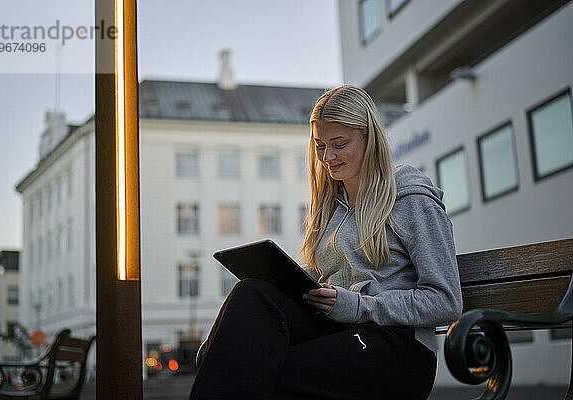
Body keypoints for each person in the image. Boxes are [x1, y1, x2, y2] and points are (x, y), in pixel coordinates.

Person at [189, 85, 463, 400]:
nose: (328, 157)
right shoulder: (332, 204)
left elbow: (445, 301)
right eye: (320, 146)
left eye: (339, 144)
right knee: (253, 293)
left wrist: (359, 305)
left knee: (260, 369)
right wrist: (299, 282)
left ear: (368, 137)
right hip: (339, 334)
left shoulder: (409, 195)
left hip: (397, 348)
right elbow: (337, 286)